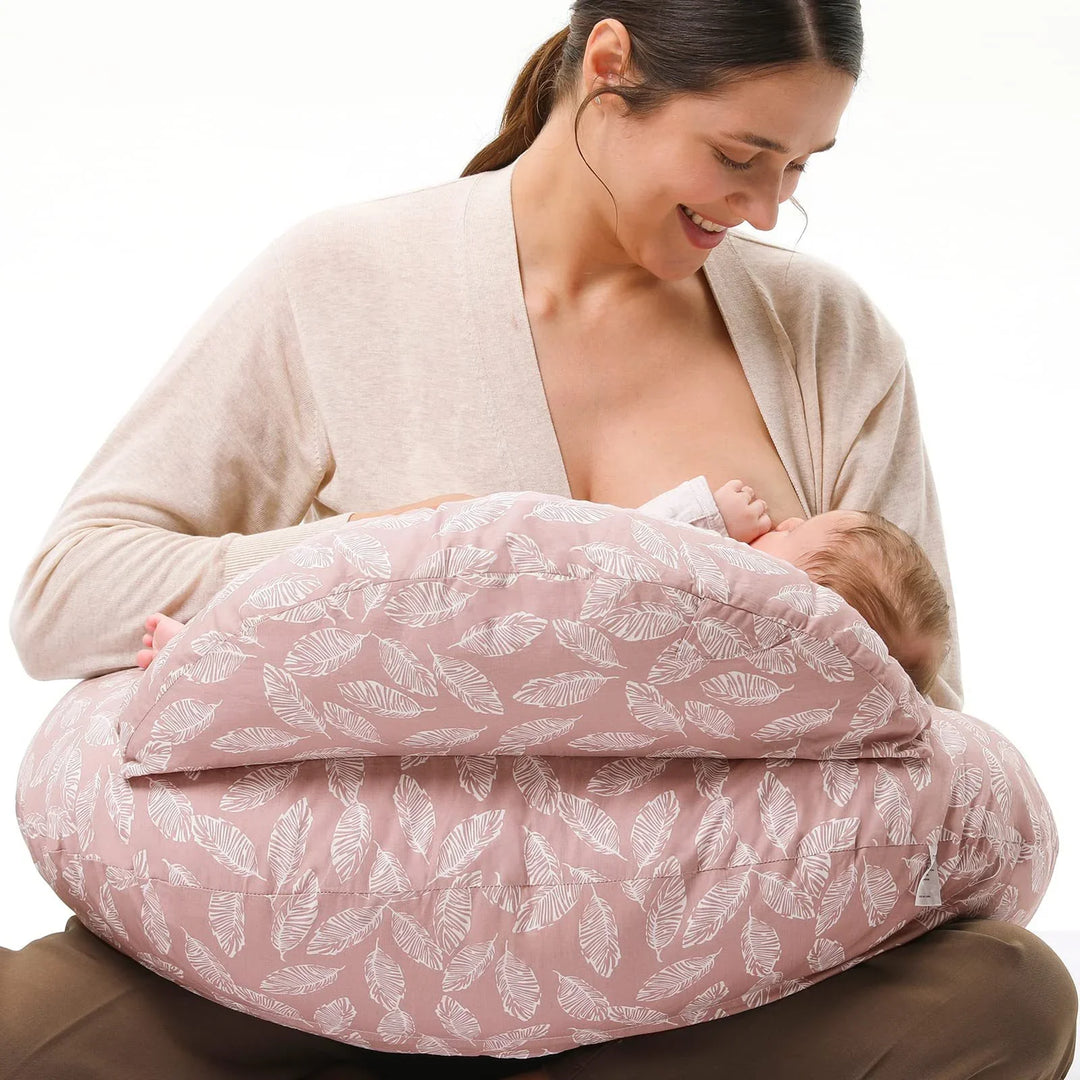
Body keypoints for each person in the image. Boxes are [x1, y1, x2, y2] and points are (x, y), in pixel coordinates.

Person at [4, 2, 1076, 1078]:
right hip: (321, 967)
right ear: (608, 66)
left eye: (800, 167)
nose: (763, 209)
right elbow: (65, 596)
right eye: (739, 155)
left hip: (696, 992)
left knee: (1006, 994)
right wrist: (377, 559)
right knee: (23, 1025)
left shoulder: (827, 340)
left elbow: (918, 720)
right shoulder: (349, 278)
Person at [133, 475, 951, 700]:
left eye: (793, 535)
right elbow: (608, 555)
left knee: (359, 659)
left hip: (503, 644)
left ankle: (206, 653)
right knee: (357, 641)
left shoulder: (742, 605)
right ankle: (207, 647)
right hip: (500, 615)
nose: (776, 521)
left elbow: (640, 536)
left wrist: (708, 511)